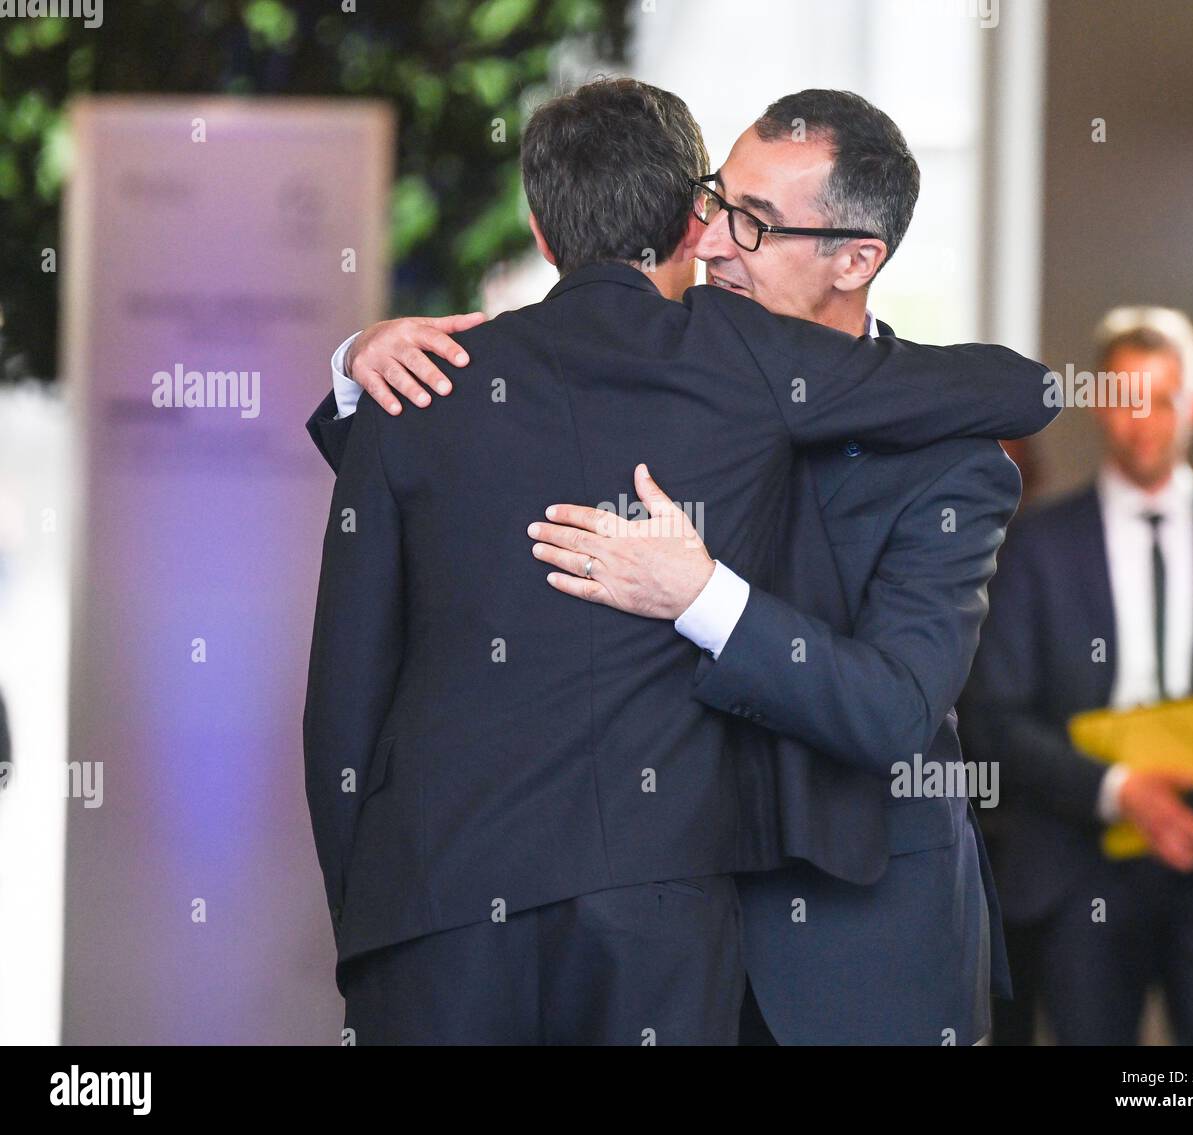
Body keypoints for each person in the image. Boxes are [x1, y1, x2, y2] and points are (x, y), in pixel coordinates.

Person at [303, 78, 1051, 1045]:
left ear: (856, 257)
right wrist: (359, 362)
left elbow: (893, 710)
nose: (713, 239)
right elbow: (472, 497)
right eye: (714, 201)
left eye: (754, 222)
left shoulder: (949, 461)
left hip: (842, 952)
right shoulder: (656, 362)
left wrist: (707, 599)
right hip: (645, 932)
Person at [962, 306, 1193, 1045]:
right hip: (1078, 856)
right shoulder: (1036, 542)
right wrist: (1119, 792)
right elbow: (994, 712)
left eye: (1162, 399)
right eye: (1124, 399)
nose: (1142, 422)